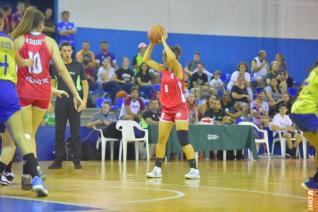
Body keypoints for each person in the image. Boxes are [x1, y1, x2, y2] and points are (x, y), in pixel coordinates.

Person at [10, 7, 83, 190]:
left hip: (24, 92)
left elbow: (12, 71)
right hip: (43, 93)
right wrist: (76, 94)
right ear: (41, 23)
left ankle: (31, 174)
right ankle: (29, 174)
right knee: (31, 134)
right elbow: (61, 70)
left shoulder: (18, 41)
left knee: (27, 135)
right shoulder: (50, 42)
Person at [0, 9, 48, 196]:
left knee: (9, 143)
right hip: (8, 91)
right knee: (21, 137)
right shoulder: (10, 42)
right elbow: (23, 63)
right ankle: (36, 177)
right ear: (3, 23)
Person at [143, 31, 200, 179]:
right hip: (167, 110)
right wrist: (152, 43)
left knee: (183, 139)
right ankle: (157, 169)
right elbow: (146, 59)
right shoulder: (163, 70)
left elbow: (173, 58)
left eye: (165, 55)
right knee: (161, 139)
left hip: (180, 108)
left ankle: (194, 169)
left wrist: (164, 42)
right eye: (163, 56)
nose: (163, 57)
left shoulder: (179, 68)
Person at [49, 42, 88, 169]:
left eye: (68, 50)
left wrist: (85, 101)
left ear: (72, 52)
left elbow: (85, 84)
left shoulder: (79, 66)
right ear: (60, 52)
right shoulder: (55, 66)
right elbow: (51, 85)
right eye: (64, 50)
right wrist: (48, 102)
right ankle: (58, 160)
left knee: (75, 132)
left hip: (75, 102)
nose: (66, 53)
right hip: (60, 101)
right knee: (59, 131)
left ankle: (76, 160)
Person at [290, 62, 318, 189]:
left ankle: (314, 184)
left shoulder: (314, 72)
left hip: (298, 111)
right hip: (308, 112)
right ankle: (315, 182)